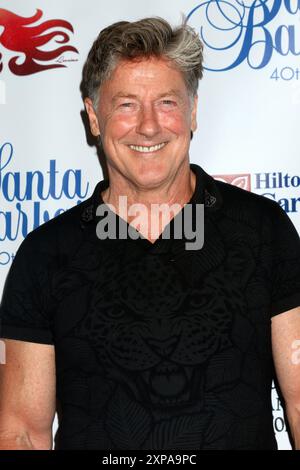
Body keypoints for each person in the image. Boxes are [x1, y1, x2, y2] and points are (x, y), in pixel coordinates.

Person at [0, 17, 300, 451]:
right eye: (125, 105)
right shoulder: (46, 255)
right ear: (93, 117)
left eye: (166, 102)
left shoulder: (264, 231)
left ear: (193, 111)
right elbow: (21, 432)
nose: (148, 126)